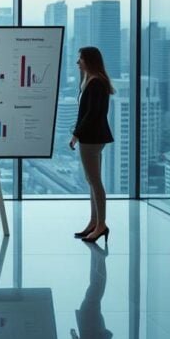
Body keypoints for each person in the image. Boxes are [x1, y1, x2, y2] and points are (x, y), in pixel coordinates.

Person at [70, 46, 115, 245]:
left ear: (89, 60)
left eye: (80, 59)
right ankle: (94, 222)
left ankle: (101, 225)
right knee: (92, 180)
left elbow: (91, 114)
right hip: (93, 137)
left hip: (91, 138)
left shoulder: (96, 83)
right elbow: (86, 112)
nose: (77, 62)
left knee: (95, 181)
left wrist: (76, 135)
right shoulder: (91, 80)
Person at [71, 241, 113, 339]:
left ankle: (96, 255)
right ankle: (99, 258)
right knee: (96, 288)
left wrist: (75, 338)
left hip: (91, 321)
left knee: (94, 288)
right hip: (90, 321)